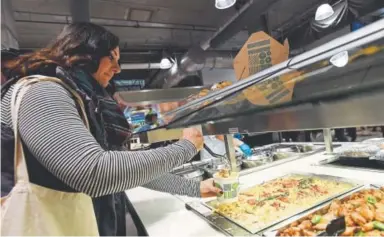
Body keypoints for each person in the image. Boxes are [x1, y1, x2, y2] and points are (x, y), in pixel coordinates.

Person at [1, 22, 221, 236]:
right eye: (111, 57)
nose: (118, 69)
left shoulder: (83, 101)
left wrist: (193, 188)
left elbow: (125, 169)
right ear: (86, 54)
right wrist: (186, 147)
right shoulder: (43, 93)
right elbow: (94, 173)